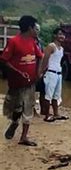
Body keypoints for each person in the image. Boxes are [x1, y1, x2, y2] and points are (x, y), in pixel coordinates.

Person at [1, 15, 43, 146]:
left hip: (30, 83)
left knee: (28, 108)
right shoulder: (14, 41)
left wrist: (38, 72)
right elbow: (4, 60)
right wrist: (18, 72)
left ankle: (24, 137)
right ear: (30, 28)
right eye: (35, 28)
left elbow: (40, 56)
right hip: (16, 84)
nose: (37, 31)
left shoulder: (33, 42)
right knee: (17, 108)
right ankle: (14, 123)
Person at [39, 27, 68, 122]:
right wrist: (42, 72)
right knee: (48, 95)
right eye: (59, 34)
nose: (61, 36)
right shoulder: (51, 46)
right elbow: (45, 60)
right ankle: (47, 115)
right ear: (55, 35)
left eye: (63, 34)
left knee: (56, 95)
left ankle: (56, 114)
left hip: (58, 74)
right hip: (51, 73)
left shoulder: (61, 49)